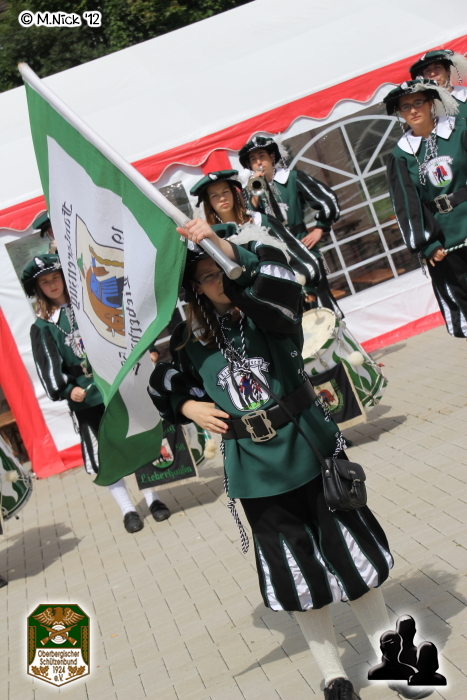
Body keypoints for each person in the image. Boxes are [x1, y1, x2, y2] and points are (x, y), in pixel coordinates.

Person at [147, 218, 402, 700]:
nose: (218, 279)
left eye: (221, 267)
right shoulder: (189, 340)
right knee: (295, 570)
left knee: (351, 558)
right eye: (207, 275)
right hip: (254, 470)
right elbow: (162, 382)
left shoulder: (266, 306)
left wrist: (221, 247)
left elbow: (280, 292)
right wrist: (186, 406)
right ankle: (333, 675)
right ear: (195, 288)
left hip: (310, 450)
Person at [21, 254, 170, 532]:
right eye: (45, 282)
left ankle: (153, 499)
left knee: (135, 439)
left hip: (117, 383)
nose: (52, 285)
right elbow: (48, 367)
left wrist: (147, 350)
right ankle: (127, 509)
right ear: (38, 288)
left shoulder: (91, 303)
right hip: (86, 397)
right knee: (106, 453)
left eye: (55, 277)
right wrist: (68, 390)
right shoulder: (43, 326)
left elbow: (125, 327)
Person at [385, 78, 467, 338]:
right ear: (399, 113)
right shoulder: (400, 156)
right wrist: (427, 244)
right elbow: (406, 205)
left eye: (418, 102)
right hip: (443, 239)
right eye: (405, 106)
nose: (413, 110)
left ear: (431, 103)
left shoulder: (460, 130)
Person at [238, 135, 343, 317]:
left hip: (303, 246)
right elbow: (247, 220)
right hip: (275, 254)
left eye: (262, 156)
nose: (258, 163)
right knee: (294, 306)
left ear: (272, 157)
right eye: (253, 160)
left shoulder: (292, 178)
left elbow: (327, 200)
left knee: (321, 299)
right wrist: (255, 192)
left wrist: (320, 228)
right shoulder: (250, 191)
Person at [190, 169, 321, 294]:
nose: (222, 198)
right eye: (214, 195)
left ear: (234, 194)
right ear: (208, 202)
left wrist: (307, 286)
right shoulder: (211, 236)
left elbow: (292, 252)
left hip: (282, 290)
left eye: (225, 192)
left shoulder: (260, 221)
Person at [409, 49, 467, 118]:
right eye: (427, 71)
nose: (433, 74)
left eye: (437, 67)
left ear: (448, 71)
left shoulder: (465, 94)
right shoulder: (423, 108)